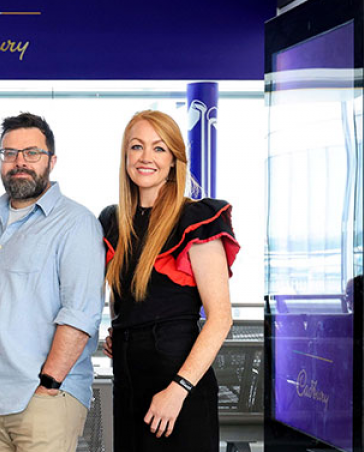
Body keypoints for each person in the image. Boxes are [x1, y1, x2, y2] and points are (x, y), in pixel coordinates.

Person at [0, 112, 105, 452]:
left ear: (51, 161)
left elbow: (80, 314)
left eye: (32, 153)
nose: (20, 162)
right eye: (10, 153)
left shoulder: (76, 224)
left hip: (44, 400)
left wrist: (49, 385)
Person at [99, 110, 236, 451]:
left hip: (178, 389)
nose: (146, 157)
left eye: (159, 148)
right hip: (128, 386)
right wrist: (122, 331)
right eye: (137, 146)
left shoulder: (196, 218)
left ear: (174, 159)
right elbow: (123, 293)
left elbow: (221, 319)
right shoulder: (113, 220)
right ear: (125, 156)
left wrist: (178, 390)